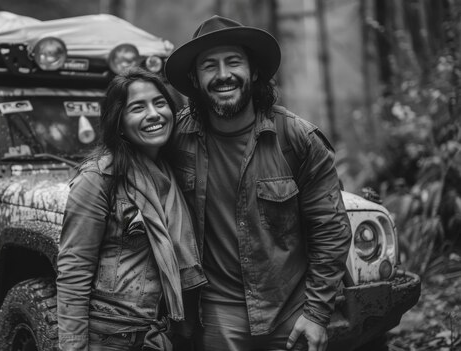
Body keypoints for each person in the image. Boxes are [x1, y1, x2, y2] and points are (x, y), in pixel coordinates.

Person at [164, 15, 352, 351]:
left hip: (291, 314)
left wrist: (317, 312)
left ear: (253, 71)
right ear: (195, 78)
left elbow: (331, 228)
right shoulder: (176, 139)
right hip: (216, 319)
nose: (223, 75)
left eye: (233, 62)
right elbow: (127, 157)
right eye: (210, 66)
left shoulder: (296, 139)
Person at [56, 67, 206, 351]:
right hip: (113, 338)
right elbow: (73, 272)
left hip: (161, 335)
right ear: (119, 121)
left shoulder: (172, 171)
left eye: (160, 103)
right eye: (137, 107)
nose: (153, 114)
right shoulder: (98, 178)